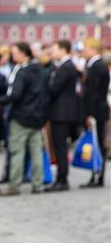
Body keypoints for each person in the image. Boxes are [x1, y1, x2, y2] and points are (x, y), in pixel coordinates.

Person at [0, 42, 48, 196]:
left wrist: (0, 101)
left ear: (23, 53)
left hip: (21, 117)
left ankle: (14, 185)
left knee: (17, 152)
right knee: (36, 152)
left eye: (14, 53)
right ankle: (38, 184)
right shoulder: (40, 70)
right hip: (37, 117)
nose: (13, 56)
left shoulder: (22, 72)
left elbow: (15, 94)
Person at [47, 40, 80, 192]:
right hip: (64, 112)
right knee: (60, 147)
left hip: (61, 113)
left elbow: (54, 89)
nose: (52, 53)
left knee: (60, 147)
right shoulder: (68, 66)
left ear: (63, 50)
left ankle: (62, 179)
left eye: (54, 49)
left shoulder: (65, 67)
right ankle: (61, 177)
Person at [80, 38, 108, 189]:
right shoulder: (94, 65)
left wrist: (90, 115)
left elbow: (94, 94)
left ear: (92, 49)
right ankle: (95, 174)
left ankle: (98, 175)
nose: (83, 50)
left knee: (97, 145)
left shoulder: (97, 67)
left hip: (96, 112)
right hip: (96, 111)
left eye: (85, 47)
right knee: (95, 143)